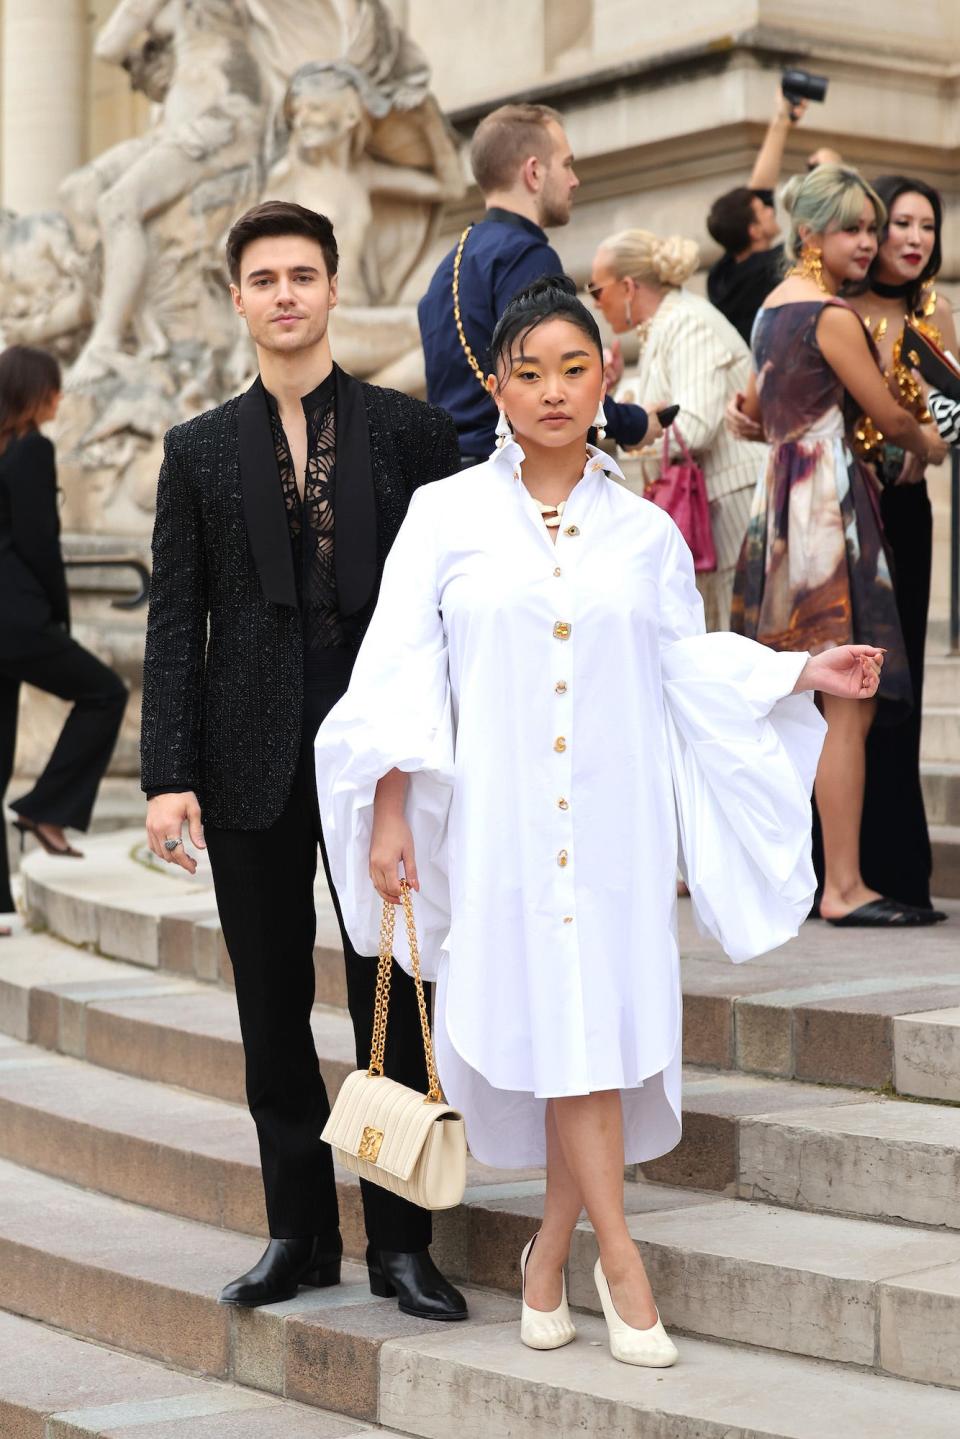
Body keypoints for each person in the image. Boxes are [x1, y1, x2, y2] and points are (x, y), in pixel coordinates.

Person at [315, 274, 883, 1369]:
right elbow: (399, 670)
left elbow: (681, 664)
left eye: (574, 368)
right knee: (567, 1035)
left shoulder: (646, 536)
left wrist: (795, 666)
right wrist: (390, 805)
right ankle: (622, 1265)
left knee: (596, 1037)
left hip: (614, 821)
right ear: (496, 384)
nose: (553, 391)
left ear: (607, 375)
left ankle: (553, 1253)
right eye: (527, 373)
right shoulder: (447, 517)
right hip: (502, 822)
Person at [141, 201, 466, 1319]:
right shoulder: (192, 451)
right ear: (239, 298)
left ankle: (402, 1243)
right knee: (271, 1003)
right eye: (265, 278)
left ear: (332, 289)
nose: (286, 294)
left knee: (396, 988)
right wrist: (164, 773)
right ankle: (299, 1232)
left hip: (380, 755)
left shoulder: (413, 432)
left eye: (304, 275)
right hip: (243, 761)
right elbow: (176, 618)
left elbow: (443, 607)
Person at [728, 167, 948, 926]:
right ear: (813, 233)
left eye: (871, 228)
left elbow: (752, 409)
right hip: (828, 503)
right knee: (848, 699)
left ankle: (822, 874)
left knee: (811, 697)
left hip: (780, 504)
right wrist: (936, 441)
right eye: (855, 228)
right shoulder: (829, 313)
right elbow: (888, 415)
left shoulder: (769, 307)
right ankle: (845, 885)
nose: (869, 243)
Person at [417, 102, 653, 465]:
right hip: (515, 479)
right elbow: (550, 386)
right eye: (567, 164)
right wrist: (638, 423)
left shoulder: (448, 266)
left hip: (454, 481)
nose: (574, 180)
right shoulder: (528, 257)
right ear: (534, 173)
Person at [842, 176, 955, 917]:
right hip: (843, 513)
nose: (915, 238)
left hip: (907, 509)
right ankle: (841, 866)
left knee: (902, 689)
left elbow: (951, 420)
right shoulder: (838, 310)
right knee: (850, 687)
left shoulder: (934, 313)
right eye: (902, 223)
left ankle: (898, 871)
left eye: (928, 226)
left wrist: (930, 440)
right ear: (874, 230)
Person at [0, 346, 127, 925]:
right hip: (18, 616)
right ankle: (44, 809)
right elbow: (39, 543)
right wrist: (59, 617)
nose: (60, 398)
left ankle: (2, 902)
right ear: (37, 392)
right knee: (105, 692)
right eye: (54, 388)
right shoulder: (32, 450)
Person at [588, 228, 764, 631]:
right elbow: (664, 406)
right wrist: (616, 400)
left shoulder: (687, 322)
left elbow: (694, 426)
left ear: (628, 286)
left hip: (731, 502)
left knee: (739, 639)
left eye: (596, 291)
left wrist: (635, 431)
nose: (595, 304)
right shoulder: (668, 324)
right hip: (711, 504)